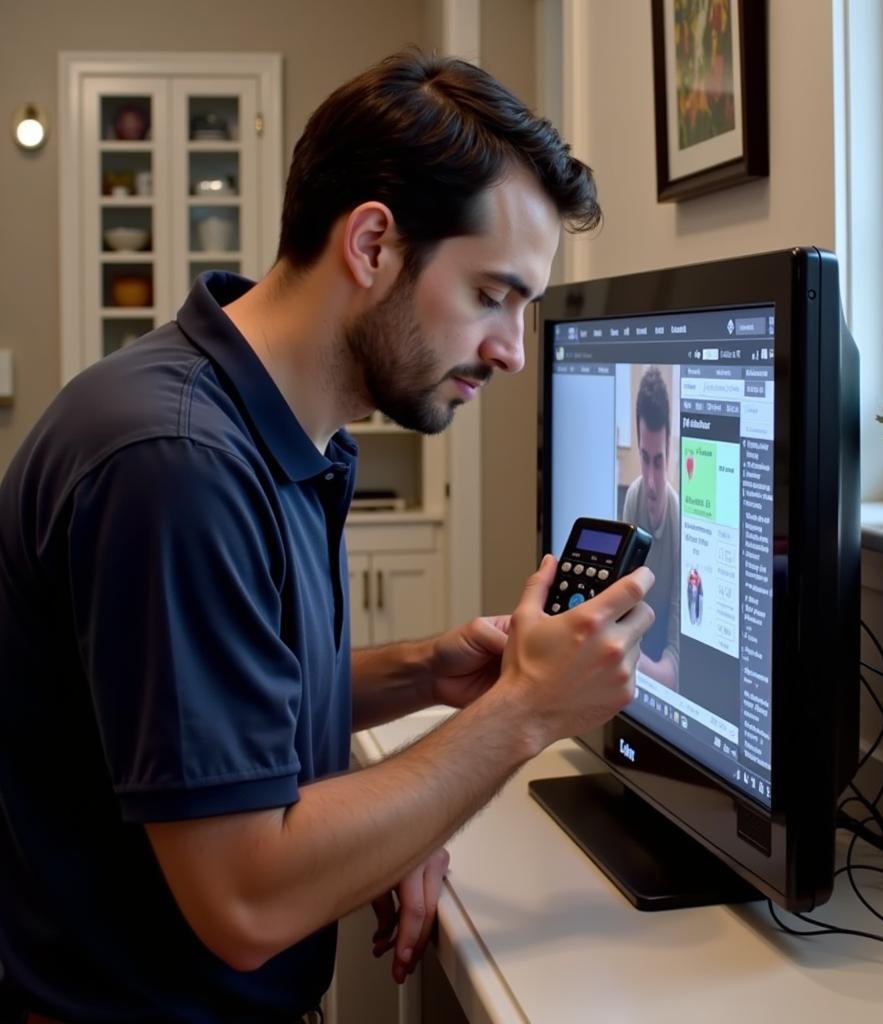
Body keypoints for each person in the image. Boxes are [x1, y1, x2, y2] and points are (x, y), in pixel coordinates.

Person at [0, 52, 654, 1023]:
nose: (513, 350)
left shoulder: (273, 430)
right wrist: (522, 711)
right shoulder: (176, 465)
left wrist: (425, 674)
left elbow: (201, 720)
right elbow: (246, 895)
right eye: (491, 295)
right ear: (374, 244)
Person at [620, 366, 680, 690]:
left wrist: (621, 651)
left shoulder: (680, 522)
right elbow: (621, 612)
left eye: (658, 460)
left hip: (649, 675)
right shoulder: (634, 497)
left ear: (670, 450)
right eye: (645, 458)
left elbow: (674, 670)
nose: (652, 483)